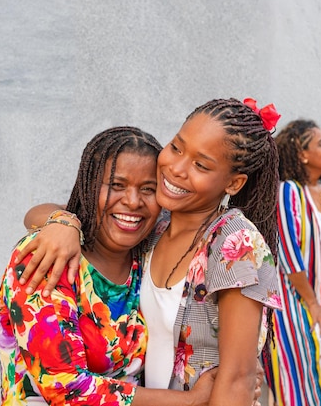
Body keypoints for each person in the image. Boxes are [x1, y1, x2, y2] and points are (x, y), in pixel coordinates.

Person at [15, 97, 284, 406]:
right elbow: (57, 212)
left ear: (234, 183)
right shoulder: (153, 227)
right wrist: (64, 223)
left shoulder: (235, 245)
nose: (177, 168)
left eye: (201, 165)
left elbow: (237, 377)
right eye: (177, 147)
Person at [0, 126, 217, 406]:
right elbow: (64, 387)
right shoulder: (48, 256)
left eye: (148, 189)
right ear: (89, 188)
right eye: (117, 185)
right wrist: (191, 401)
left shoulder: (147, 254)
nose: (133, 202)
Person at [262, 119, 321, 406]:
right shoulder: (288, 192)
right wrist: (312, 303)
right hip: (296, 300)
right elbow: (289, 256)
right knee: (305, 378)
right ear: (302, 154)